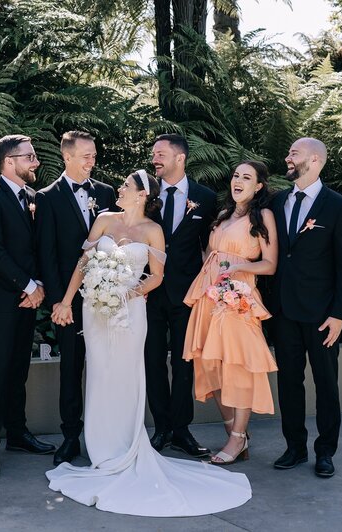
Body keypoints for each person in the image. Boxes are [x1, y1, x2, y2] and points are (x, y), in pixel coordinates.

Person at [46, 170, 250, 517]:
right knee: (98, 373)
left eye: (125, 186)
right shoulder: (104, 220)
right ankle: (99, 447)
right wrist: (67, 301)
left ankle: (125, 444)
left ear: (142, 194)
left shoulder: (153, 230)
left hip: (129, 310)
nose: (119, 190)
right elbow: (83, 263)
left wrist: (125, 293)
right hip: (95, 309)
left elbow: (156, 276)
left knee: (125, 375)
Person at [266, 138, 342, 478]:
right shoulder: (277, 202)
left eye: (294, 153)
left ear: (315, 160)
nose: (287, 157)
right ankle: (294, 446)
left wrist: (339, 314)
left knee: (326, 383)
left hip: (322, 314)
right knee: (289, 381)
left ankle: (325, 451)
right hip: (284, 310)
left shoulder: (339, 207)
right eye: (288, 151)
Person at [183, 161, 279, 464]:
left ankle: (237, 439)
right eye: (236, 175)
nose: (238, 180)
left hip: (238, 297)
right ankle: (235, 435)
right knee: (211, 365)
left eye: (246, 177)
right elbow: (211, 253)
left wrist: (238, 267)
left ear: (259, 186)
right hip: (209, 295)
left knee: (237, 365)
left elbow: (270, 263)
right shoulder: (223, 215)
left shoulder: (263, 216)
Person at [0, 134, 55, 478]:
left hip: (29, 299)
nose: (35, 162)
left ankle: (18, 434)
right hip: (2, 301)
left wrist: (40, 287)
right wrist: (27, 285)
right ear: (10, 161)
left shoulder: (34, 197)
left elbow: (40, 248)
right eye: (30, 157)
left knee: (19, 368)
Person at [35, 131, 117, 466]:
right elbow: (46, 253)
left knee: (107, 367)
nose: (91, 161)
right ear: (67, 157)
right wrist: (59, 302)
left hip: (106, 299)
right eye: (85, 155)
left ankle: (107, 435)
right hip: (68, 301)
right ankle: (70, 436)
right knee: (71, 368)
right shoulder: (48, 197)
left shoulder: (107, 192)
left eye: (94, 155)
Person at [145, 134, 217, 457]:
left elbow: (210, 249)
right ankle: (161, 428)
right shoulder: (147, 195)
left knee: (185, 364)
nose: (155, 160)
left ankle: (181, 430)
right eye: (153, 155)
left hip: (188, 295)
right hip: (149, 294)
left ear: (180, 158)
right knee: (153, 361)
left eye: (160, 154)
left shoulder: (206, 198)